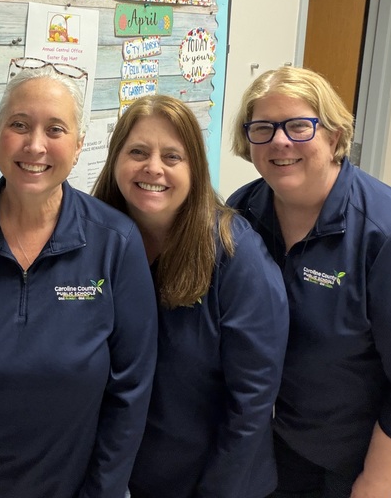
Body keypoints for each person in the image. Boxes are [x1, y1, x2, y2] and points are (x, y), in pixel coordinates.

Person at [0, 65, 157, 498]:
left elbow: (131, 388)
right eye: (19, 125)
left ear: (80, 144)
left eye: (55, 129)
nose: (35, 145)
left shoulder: (115, 242)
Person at [227, 67, 391, 498]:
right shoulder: (243, 212)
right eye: (263, 128)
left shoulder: (390, 236)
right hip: (287, 450)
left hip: (376, 466)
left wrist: (376, 485)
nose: (280, 141)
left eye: (299, 126)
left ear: (333, 136)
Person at [93, 95, 289, 498]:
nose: (153, 168)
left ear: (195, 169)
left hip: (211, 481)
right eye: (138, 152)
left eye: (172, 156)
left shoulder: (236, 254)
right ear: (115, 161)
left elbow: (251, 404)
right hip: (115, 476)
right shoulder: (95, 243)